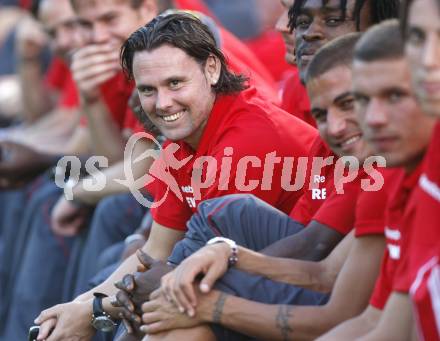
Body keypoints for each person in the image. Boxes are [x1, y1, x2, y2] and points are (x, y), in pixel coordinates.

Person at [34, 12, 317, 340]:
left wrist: (94, 312)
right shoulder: (181, 142)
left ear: (212, 69)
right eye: (148, 90)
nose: (163, 103)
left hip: (305, 286)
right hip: (241, 276)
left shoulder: (246, 138)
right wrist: (77, 307)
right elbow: (156, 251)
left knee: (168, 324)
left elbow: (191, 272)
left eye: (175, 83)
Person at [316, 20, 437, 341]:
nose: (374, 119)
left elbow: (324, 278)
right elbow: (383, 325)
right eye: (364, 101)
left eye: (395, 96)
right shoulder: (400, 180)